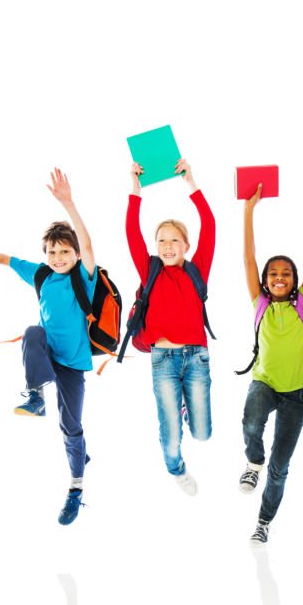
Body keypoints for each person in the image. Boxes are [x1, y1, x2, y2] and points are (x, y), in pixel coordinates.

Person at [0, 169, 98, 525]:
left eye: (64, 251)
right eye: (53, 252)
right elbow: (2, 257)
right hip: (46, 355)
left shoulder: (82, 276)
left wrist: (68, 202)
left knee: (71, 427)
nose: (58, 257)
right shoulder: (40, 274)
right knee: (31, 332)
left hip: (72, 364)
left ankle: (75, 487)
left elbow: (87, 244)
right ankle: (35, 396)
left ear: (74, 253)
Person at [241, 172, 303, 546]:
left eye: (286, 273)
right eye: (273, 274)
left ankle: (264, 521)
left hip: (297, 393)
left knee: (281, 469)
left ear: (296, 279)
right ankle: (253, 462)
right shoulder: (260, 302)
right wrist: (249, 212)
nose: (279, 277)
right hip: (263, 382)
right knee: (251, 421)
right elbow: (248, 256)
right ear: (265, 280)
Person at [126, 159, 215, 495]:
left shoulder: (198, 270)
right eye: (161, 240)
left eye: (174, 240)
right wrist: (135, 187)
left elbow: (209, 223)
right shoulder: (149, 270)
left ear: (186, 246)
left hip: (196, 358)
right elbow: (131, 231)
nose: (167, 246)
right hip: (162, 358)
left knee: (203, 433)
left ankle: (186, 408)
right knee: (172, 434)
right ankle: (176, 469)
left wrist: (191, 181)